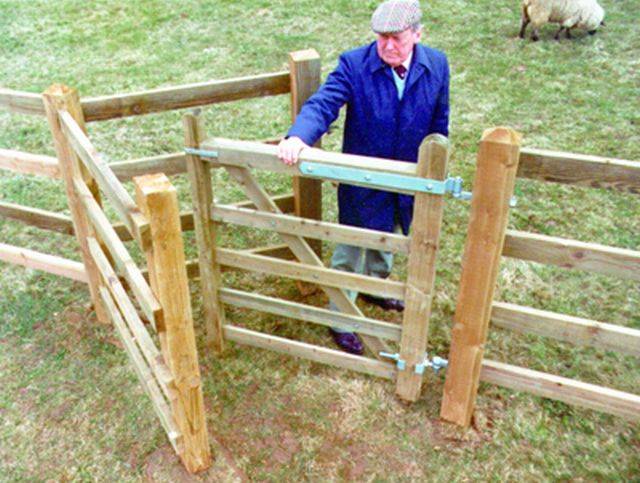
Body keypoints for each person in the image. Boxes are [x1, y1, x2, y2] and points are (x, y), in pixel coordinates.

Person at [278, 0, 450, 355]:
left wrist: (436, 161)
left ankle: (375, 286)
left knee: (390, 234)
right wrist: (299, 136)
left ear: (418, 34)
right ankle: (341, 319)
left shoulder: (437, 64)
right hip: (363, 178)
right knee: (353, 245)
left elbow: (439, 120)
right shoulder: (354, 64)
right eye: (380, 38)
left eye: (397, 38)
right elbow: (323, 103)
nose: (387, 46)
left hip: (409, 177)